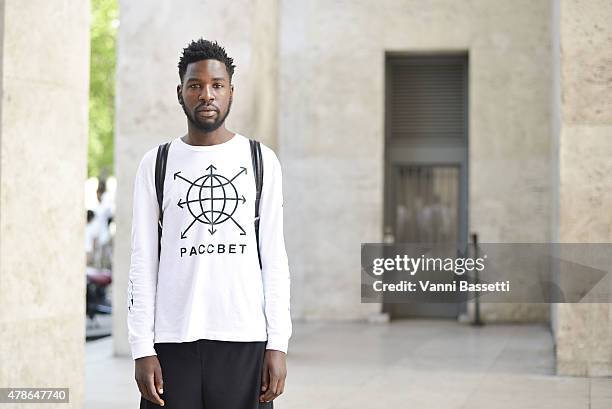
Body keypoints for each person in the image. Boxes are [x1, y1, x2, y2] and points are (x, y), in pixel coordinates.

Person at [127, 39, 292, 409]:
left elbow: (274, 259)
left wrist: (277, 342)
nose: (206, 95)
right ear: (180, 92)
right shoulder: (157, 163)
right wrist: (142, 347)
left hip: (244, 338)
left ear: (231, 92)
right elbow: (142, 261)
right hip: (172, 341)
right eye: (196, 85)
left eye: (217, 85)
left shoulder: (260, 160)